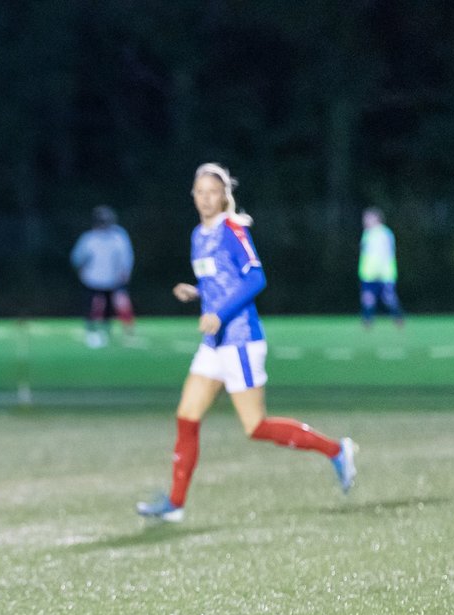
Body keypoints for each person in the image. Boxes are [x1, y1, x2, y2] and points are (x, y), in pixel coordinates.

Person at [137, 163, 356, 523]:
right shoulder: (197, 235)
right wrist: (197, 293)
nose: (206, 199)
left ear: (224, 196)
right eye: (200, 192)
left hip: (240, 340)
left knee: (256, 427)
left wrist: (219, 313)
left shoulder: (232, 229)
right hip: (213, 343)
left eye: (212, 192)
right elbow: (218, 282)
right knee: (186, 417)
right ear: (193, 195)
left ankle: (336, 451)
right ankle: (175, 504)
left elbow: (255, 279)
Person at [70, 204, 135, 347]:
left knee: (108, 308)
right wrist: (81, 269)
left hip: (111, 279)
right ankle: (91, 330)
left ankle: (106, 330)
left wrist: (125, 271)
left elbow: (125, 257)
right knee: (91, 305)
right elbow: (77, 257)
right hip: (92, 279)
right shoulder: (89, 238)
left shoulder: (118, 237)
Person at [359, 207, 403, 327]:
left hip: (384, 273)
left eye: (368, 218)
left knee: (388, 298)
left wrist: (379, 270)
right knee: (368, 298)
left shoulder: (383, 234)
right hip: (368, 274)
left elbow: (384, 253)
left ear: (377, 219)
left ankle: (398, 318)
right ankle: (367, 321)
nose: (365, 220)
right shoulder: (367, 233)